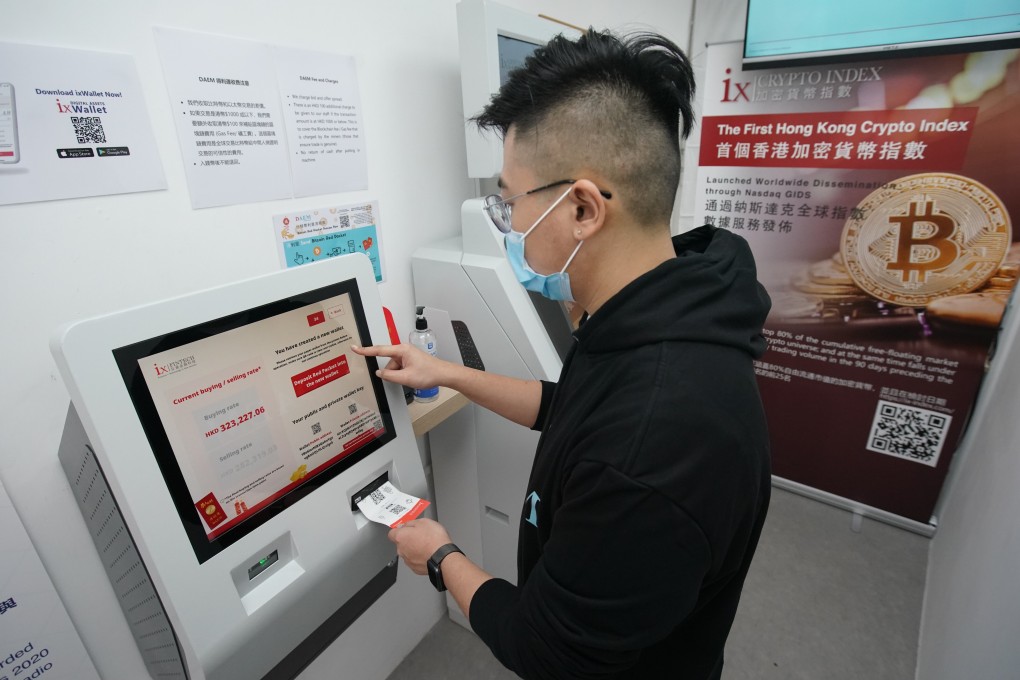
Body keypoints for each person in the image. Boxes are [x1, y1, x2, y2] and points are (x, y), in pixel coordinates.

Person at [352, 28, 771, 680]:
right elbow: (568, 407)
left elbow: (548, 651)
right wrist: (446, 372)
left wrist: (441, 556)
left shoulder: (653, 441)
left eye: (511, 200)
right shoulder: (657, 308)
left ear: (581, 208)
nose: (510, 225)